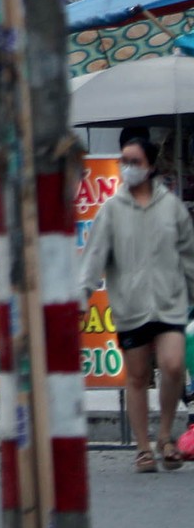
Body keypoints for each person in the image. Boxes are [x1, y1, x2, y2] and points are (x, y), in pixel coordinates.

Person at [80, 132, 194, 472]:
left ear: (151, 167)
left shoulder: (171, 207)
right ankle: (143, 447)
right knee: (138, 376)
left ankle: (165, 436)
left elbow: (188, 254)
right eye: (124, 162)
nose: (128, 168)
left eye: (135, 162)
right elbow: (94, 257)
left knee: (173, 365)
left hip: (170, 303)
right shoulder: (111, 211)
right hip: (130, 307)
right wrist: (81, 297)